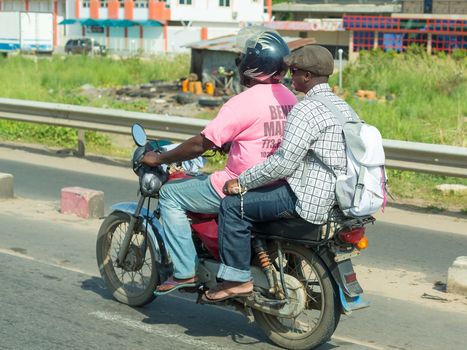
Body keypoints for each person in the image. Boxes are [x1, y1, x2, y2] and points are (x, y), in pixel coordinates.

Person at [141, 28, 297, 294]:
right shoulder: (288, 97)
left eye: (245, 57)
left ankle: (185, 271)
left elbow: (200, 144)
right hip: (276, 184)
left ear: (253, 64)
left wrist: (160, 157)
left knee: (170, 195)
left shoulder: (242, 102)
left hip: (240, 184)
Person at [204, 45, 359, 302]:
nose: (289, 77)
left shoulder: (305, 108)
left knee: (233, 206)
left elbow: (284, 163)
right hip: (339, 196)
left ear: (307, 76)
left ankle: (235, 279)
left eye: (294, 72)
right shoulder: (342, 107)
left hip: (308, 197)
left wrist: (241, 182)